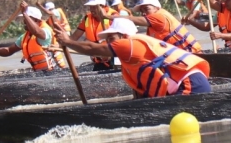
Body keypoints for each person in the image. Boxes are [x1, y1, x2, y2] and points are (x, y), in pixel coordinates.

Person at [58, 17, 212, 98]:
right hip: (185, 85)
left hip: (190, 84)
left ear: (124, 36)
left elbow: (92, 48)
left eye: (111, 38)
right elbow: (140, 89)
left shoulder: (129, 44)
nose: (108, 43)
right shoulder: (129, 56)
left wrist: (67, 41)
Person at [0, 6, 66, 71]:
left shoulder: (46, 32)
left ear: (36, 20)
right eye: (24, 18)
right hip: (40, 73)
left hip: (54, 71)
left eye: (26, 19)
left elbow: (37, 32)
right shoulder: (24, 37)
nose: (24, 21)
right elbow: (9, 50)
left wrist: (24, 13)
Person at [128, 0, 203, 53]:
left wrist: (117, 17)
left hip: (191, 53)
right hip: (177, 55)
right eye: (141, 11)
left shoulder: (159, 16)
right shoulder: (151, 26)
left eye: (146, 9)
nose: (143, 13)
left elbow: (133, 19)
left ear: (157, 8)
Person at [71, 0, 116, 71]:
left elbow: (120, 39)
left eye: (94, 6)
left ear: (102, 6)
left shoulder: (113, 16)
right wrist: (62, 43)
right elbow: (74, 37)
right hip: (98, 61)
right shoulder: (87, 18)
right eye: (90, 6)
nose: (91, 9)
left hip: (113, 60)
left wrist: (110, 53)